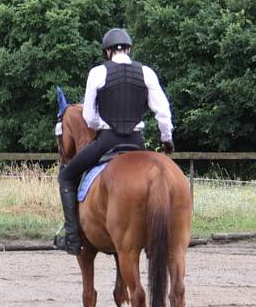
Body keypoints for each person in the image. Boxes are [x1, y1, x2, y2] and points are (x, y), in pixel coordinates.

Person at [54, 28, 174, 255]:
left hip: (107, 141)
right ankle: (159, 236)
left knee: (67, 176)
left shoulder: (98, 73)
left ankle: (72, 237)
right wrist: (166, 139)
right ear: (128, 49)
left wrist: (103, 125)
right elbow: (163, 112)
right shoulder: (147, 72)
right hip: (137, 143)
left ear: (108, 51)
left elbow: (89, 117)